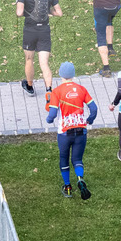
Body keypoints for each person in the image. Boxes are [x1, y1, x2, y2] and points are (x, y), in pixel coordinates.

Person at [45, 61, 97, 198]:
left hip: (64, 133)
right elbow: (94, 109)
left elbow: (52, 114)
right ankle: (80, 179)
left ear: (60, 74)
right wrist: (90, 120)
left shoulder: (56, 92)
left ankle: (67, 186)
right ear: (73, 75)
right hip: (81, 130)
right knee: (77, 159)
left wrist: (48, 120)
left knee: (64, 158)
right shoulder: (81, 89)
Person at [17, 0, 64, 97]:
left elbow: (19, 12)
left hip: (30, 30)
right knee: (44, 63)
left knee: (29, 59)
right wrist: (48, 11)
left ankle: (30, 87)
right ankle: (49, 90)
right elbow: (59, 13)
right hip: (44, 30)